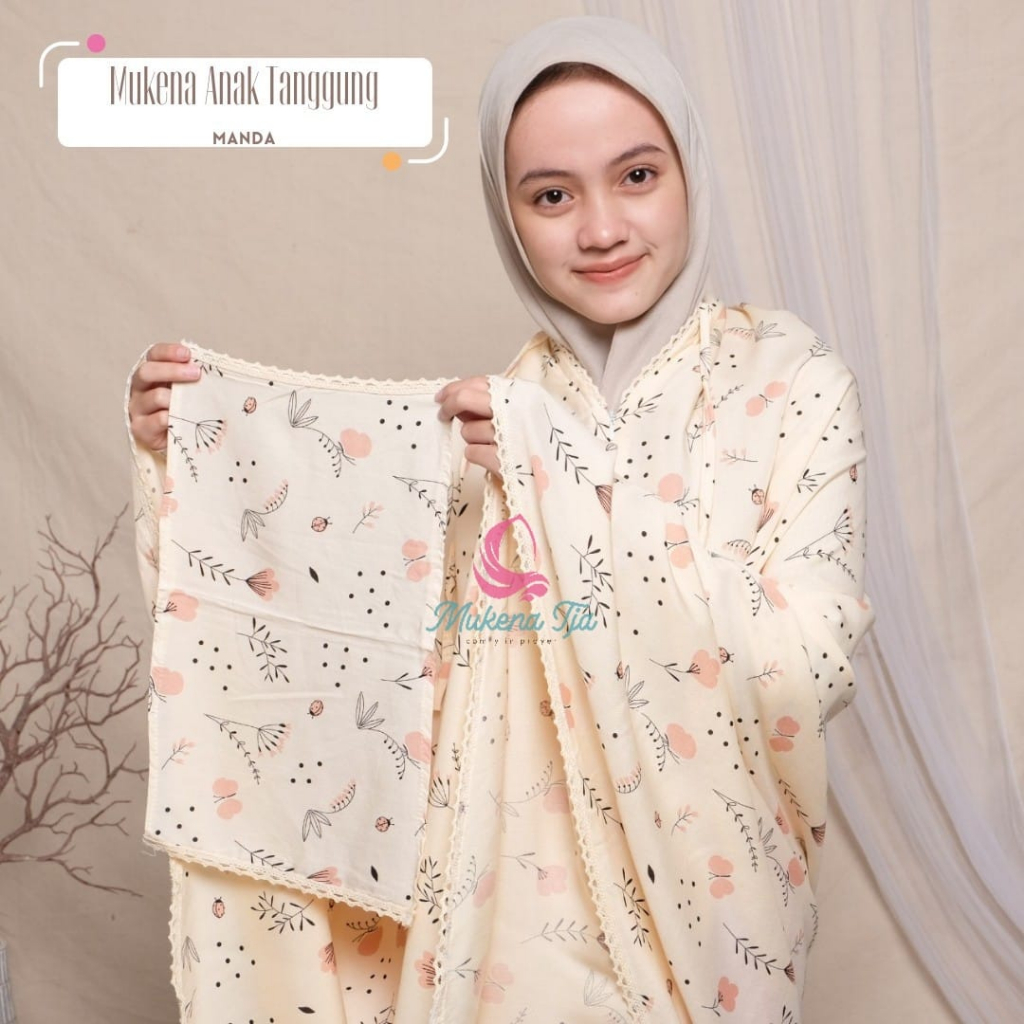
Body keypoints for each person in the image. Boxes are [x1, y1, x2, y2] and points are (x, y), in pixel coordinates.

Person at [128, 16, 873, 1022]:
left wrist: (563, 478)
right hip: (497, 937)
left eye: (637, 176)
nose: (600, 228)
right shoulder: (487, 424)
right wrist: (197, 458)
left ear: (690, 171)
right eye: (552, 195)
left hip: (708, 931)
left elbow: (807, 665)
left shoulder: (790, 386)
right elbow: (364, 656)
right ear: (507, 211)